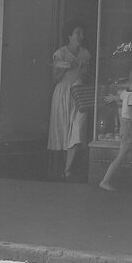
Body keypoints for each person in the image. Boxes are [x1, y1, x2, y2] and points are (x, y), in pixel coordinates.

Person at [47, 23, 93, 179]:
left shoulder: (85, 54)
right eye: (77, 33)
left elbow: (88, 76)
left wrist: (82, 70)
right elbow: (54, 79)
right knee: (62, 129)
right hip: (62, 94)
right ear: (69, 36)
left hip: (78, 95)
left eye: (82, 34)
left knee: (77, 128)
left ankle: (68, 167)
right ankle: (65, 170)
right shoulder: (60, 53)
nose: (81, 37)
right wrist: (65, 67)